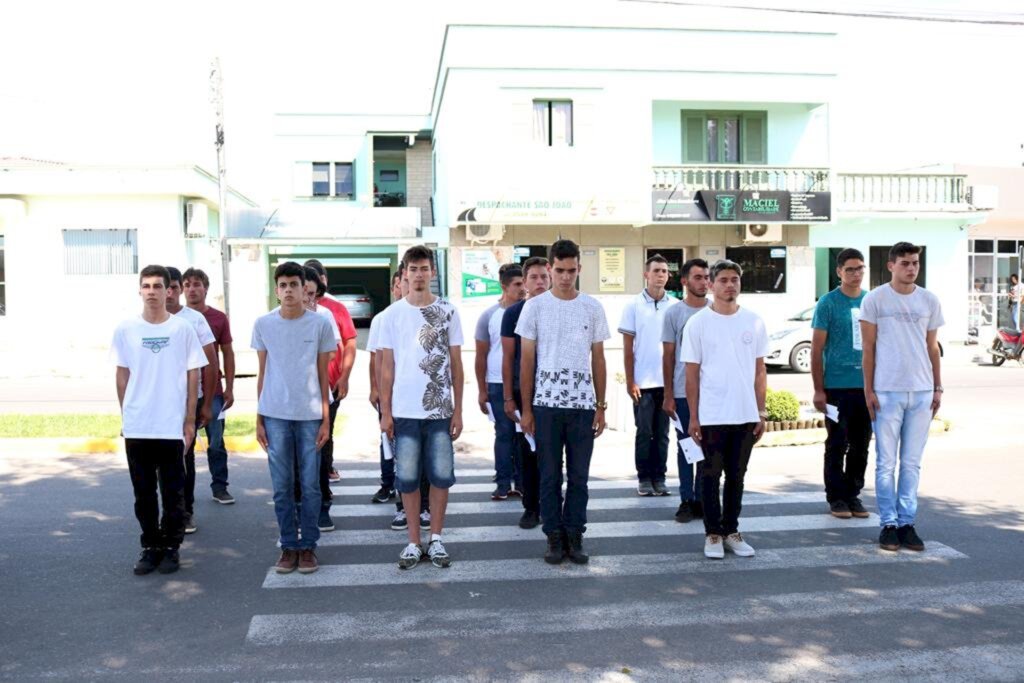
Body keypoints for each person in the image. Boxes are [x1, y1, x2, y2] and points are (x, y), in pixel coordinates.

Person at [517, 240, 610, 565]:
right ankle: (554, 537)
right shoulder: (535, 307)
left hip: (583, 407)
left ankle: (575, 534)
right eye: (559, 271)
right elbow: (526, 361)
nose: (565, 277)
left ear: (579, 269)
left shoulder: (592, 307)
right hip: (545, 406)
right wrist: (526, 409)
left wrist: (601, 405)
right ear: (550, 269)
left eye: (571, 271)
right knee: (549, 476)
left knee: (580, 477)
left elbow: (598, 358)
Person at [112, 265, 207, 575]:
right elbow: (122, 373)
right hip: (139, 425)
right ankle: (150, 546)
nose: (151, 291)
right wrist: (126, 414)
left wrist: (190, 419)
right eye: (146, 285)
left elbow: (194, 373)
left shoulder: (182, 329)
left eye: (157, 286)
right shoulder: (126, 329)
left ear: (169, 291)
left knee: (173, 493)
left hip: (171, 425)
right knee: (143, 494)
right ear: (139, 291)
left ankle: (171, 547)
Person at [378, 245, 465, 569]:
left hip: (440, 410)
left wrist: (458, 410)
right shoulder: (391, 315)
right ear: (404, 274)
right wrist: (386, 412)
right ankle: (414, 541)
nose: (418, 274)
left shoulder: (448, 312)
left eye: (423, 268)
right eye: (412, 269)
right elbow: (387, 367)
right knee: (409, 479)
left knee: (441, 476)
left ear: (432, 272)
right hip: (404, 411)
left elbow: (456, 363)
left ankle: (437, 538)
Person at [253, 262, 336, 575]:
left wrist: (326, 420)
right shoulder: (263, 324)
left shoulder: (319, 325)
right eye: (283, 285)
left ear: (305, 290)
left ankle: (309, 547)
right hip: (274, 415)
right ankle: (288, 546)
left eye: (294, 285)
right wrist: (258, 419)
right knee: (282, 486)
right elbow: (263, 373)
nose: (288, 290)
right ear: (276, 290)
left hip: (310, 416)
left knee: (311, 485)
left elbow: (322, 376)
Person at [682, 259, 768, 560]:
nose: (730, 285)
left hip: (745, 414)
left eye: (735, 280)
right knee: (709, 475)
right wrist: (693, 416)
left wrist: (761, 411)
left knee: (737, 476)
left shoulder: (754, 321)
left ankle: (731, 530)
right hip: (711, 415)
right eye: (723, 280)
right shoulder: (698, 324)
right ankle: (713, 534)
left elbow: (760, 371)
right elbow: (691, 374)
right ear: (711, 284)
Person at [861, 242, 944, 553]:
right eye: (905, 263)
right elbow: (868, 349)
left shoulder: (929, 300)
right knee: (886, 463)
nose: (911, 268)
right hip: (886, 391)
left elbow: (932, 347)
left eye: (915, 263)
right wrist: (868, 390)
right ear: (891, 265)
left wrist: (937, 387)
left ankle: (908, 523)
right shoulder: (876, 299)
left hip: (922, 392)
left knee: (911, 463)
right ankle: (889, 525)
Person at [810, 248, 872, 520]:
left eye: (860, 268)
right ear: (839, 272)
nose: (856, 274)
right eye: (850, 269)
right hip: (836, 386)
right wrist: (818, 389)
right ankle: (836, 497)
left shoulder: (871, 301)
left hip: (866, 386)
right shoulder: (828, 303)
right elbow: (816, 349)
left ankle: (853, 494)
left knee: (861, 444)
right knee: (837, 443)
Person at [368, 268, 432, 530]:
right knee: (401, 460)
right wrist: (381, 398)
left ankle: (425, 507)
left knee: (425, 458)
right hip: (395, 400)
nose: (409, 284)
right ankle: (402, 508)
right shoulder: (385, 318)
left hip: (425, 402)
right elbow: (377, 359)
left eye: (413, 278)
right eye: (404, 281)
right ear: (397, 286)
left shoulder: (431, 314)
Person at [165, 266, 217, 534]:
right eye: (168, 287)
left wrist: (206, 404)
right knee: (162, 462)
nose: (172, 293)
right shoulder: (146, 322)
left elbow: (210, 362)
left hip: (189, 403)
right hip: (159, 406)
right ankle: (168, 512)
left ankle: (186, 511)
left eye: (176, 287)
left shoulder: (194, 320)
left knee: (184, 459)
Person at [620, 254, 677, 496]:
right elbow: (628, 347)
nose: (660, 275)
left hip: (667, 383)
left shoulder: (675, 306)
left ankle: (659, 477)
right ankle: (644, 478)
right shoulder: (633, 306)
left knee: (663, 434)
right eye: (656, 271)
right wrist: (630, 379)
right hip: (642, 383)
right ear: (646, 274)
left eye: (664, 271)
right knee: (644, 432)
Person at [501, 257, 551, 529]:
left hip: (555, 393)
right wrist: (509, 396)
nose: (540, 282)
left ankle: (552, 503)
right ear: (525, 282)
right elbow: (508, 359)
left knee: (554, 453)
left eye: (544, 276)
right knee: (528, 453)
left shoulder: (560, 309)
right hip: (524, 394)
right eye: (534, 277)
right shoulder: (513, 314)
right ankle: (531, 507)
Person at [661, 258, 710, 523]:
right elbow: (668, 356)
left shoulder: (717, 310)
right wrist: (668, 394)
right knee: (686, 447)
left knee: (709, 447)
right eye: (698, 277)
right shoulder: (674, 313)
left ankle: (704, 498)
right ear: (684, 281)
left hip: (712, 393)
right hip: (681, 392)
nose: (703, 282)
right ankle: (686, 499)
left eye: (706, 277)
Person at [182, 267, 236, 505]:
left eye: (196, 284)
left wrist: (230, 388)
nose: (191, 289)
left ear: (206, 288)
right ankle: (184, 496)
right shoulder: (175, 318)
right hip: (185, 392)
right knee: (185, 444)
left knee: (216, 442)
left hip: (212, 391)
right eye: (187, 285)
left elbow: (227, 352)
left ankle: (220, 486)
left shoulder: (218, 318)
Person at [303, 259, 357, 485]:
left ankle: (324, 479)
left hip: (330, 383)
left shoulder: (333, 310)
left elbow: (349, 343)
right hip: (302, 389)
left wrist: (344, 377)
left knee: (326, 431)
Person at [475, 264, 526, 500]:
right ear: (504, 286)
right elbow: (481, 354)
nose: (523, 288)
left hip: (525, 382)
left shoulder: (531, 311)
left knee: (524, 436)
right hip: (497, 383)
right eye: (517, 284)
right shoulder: (489, 316)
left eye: (523, 283)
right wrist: (481, 389)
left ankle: (523, 482)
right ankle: (503, 482)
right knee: (504, 433)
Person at [299, 265, 342, 533]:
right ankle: (299, 511)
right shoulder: (279, 318)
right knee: (296, 462)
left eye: (312, 293)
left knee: (321, 453)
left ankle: (323, 506)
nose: (307, 298)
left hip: (320, 395)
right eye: (303, 291)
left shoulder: (324, 316)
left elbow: (334, 352)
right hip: (291, 402)